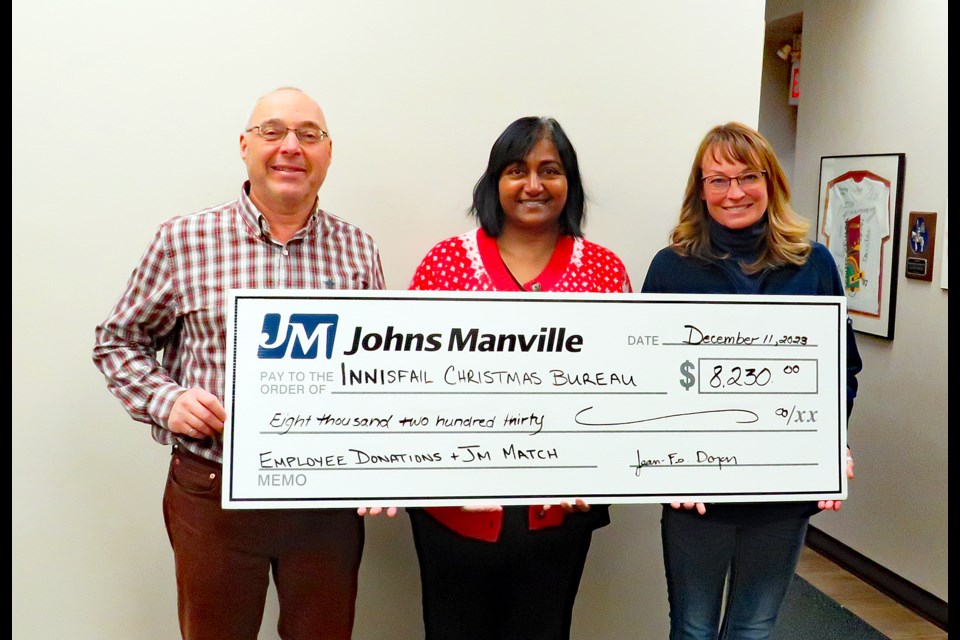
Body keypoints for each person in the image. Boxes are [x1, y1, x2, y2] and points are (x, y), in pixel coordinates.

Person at [92, 87, 388, 640]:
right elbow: (117, 341)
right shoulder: (184, 240)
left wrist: (380, 464)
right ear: (246, 145)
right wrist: (169, 400)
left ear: (328, 151)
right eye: (273, 132)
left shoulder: (357, 250)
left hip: (324, 503)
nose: (290, 147)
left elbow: (373, 374)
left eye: (309, 134)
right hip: (213, 490)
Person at [405, 116, 632, 640]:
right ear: (494, 182)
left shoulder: (604, 271)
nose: (533, 184)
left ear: (569, 183)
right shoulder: (444, 264)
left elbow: (622, 388)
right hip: (452, 512)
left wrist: (601, 467)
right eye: (516, 170)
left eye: (549, 170)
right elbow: (409, 383)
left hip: (559, 514)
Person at [640, 121, 862, 640]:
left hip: (782, 491)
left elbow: (839, 369)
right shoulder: (671, 269)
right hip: (697, 492)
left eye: (746, 177)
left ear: (771, 182)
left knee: (754, 629)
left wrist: (830, 445)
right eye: (717, 180)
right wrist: (666, 461)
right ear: (700, 190)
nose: (734, 192)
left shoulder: (814, 265)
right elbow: (645, 377)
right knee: (692, 630)